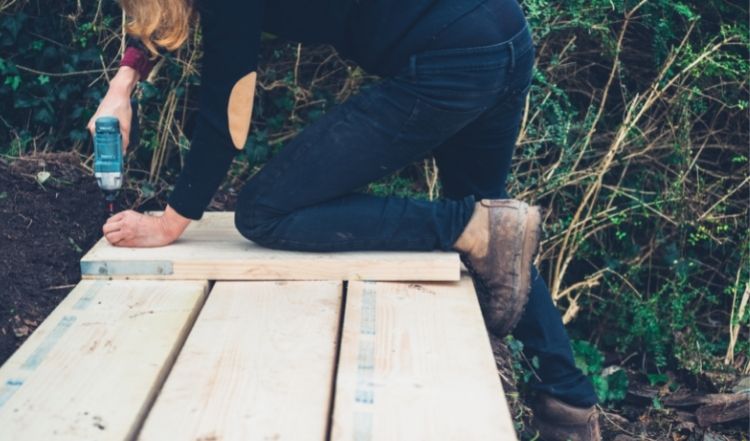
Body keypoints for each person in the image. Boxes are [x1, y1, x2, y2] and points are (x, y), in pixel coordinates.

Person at [88, 0, 600, 439]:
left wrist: (173, 221)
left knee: (266, 211)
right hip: (503, 34)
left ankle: (465, 228)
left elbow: (228, 102)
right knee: (496, 219)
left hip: (452, 55)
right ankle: (567, 398)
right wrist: (122, 86)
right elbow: (167, 17)